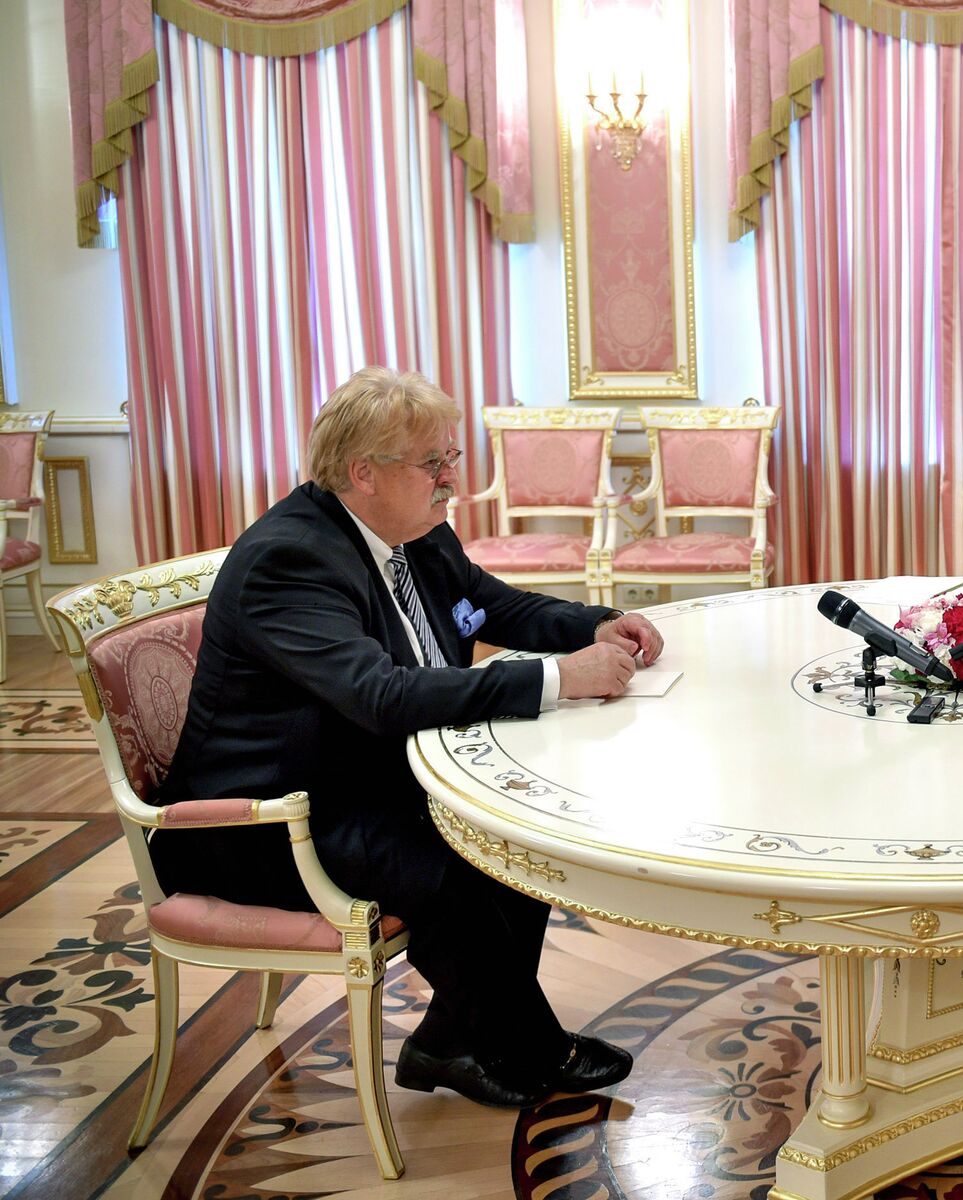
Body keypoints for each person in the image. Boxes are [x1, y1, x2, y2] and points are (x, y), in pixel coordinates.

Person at [154, 367, 664, 1109]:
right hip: (268, 821)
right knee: (453, 866)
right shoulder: (290, 560)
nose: (453, 478)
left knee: (519, 838)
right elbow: (380, 694)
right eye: (434, 463)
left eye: (449, 457)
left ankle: (451, 1042)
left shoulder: (413, 532)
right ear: (364, 472)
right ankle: (529, 1048)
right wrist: (560, 678)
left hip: (358, 777)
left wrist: (596, 624)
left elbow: (490, 605)